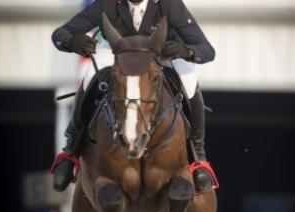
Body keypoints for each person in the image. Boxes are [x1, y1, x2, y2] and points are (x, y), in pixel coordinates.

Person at [51, 0, 216, 193]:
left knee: (189, 80)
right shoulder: (107, 4)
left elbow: (207, 49)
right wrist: (71, 42)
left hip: (160, 53)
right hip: (118, 52)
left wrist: (187, 51)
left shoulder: (169, 4)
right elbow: (60, 34)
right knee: (89, 77)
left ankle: (199, 158)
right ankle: (71, 151)